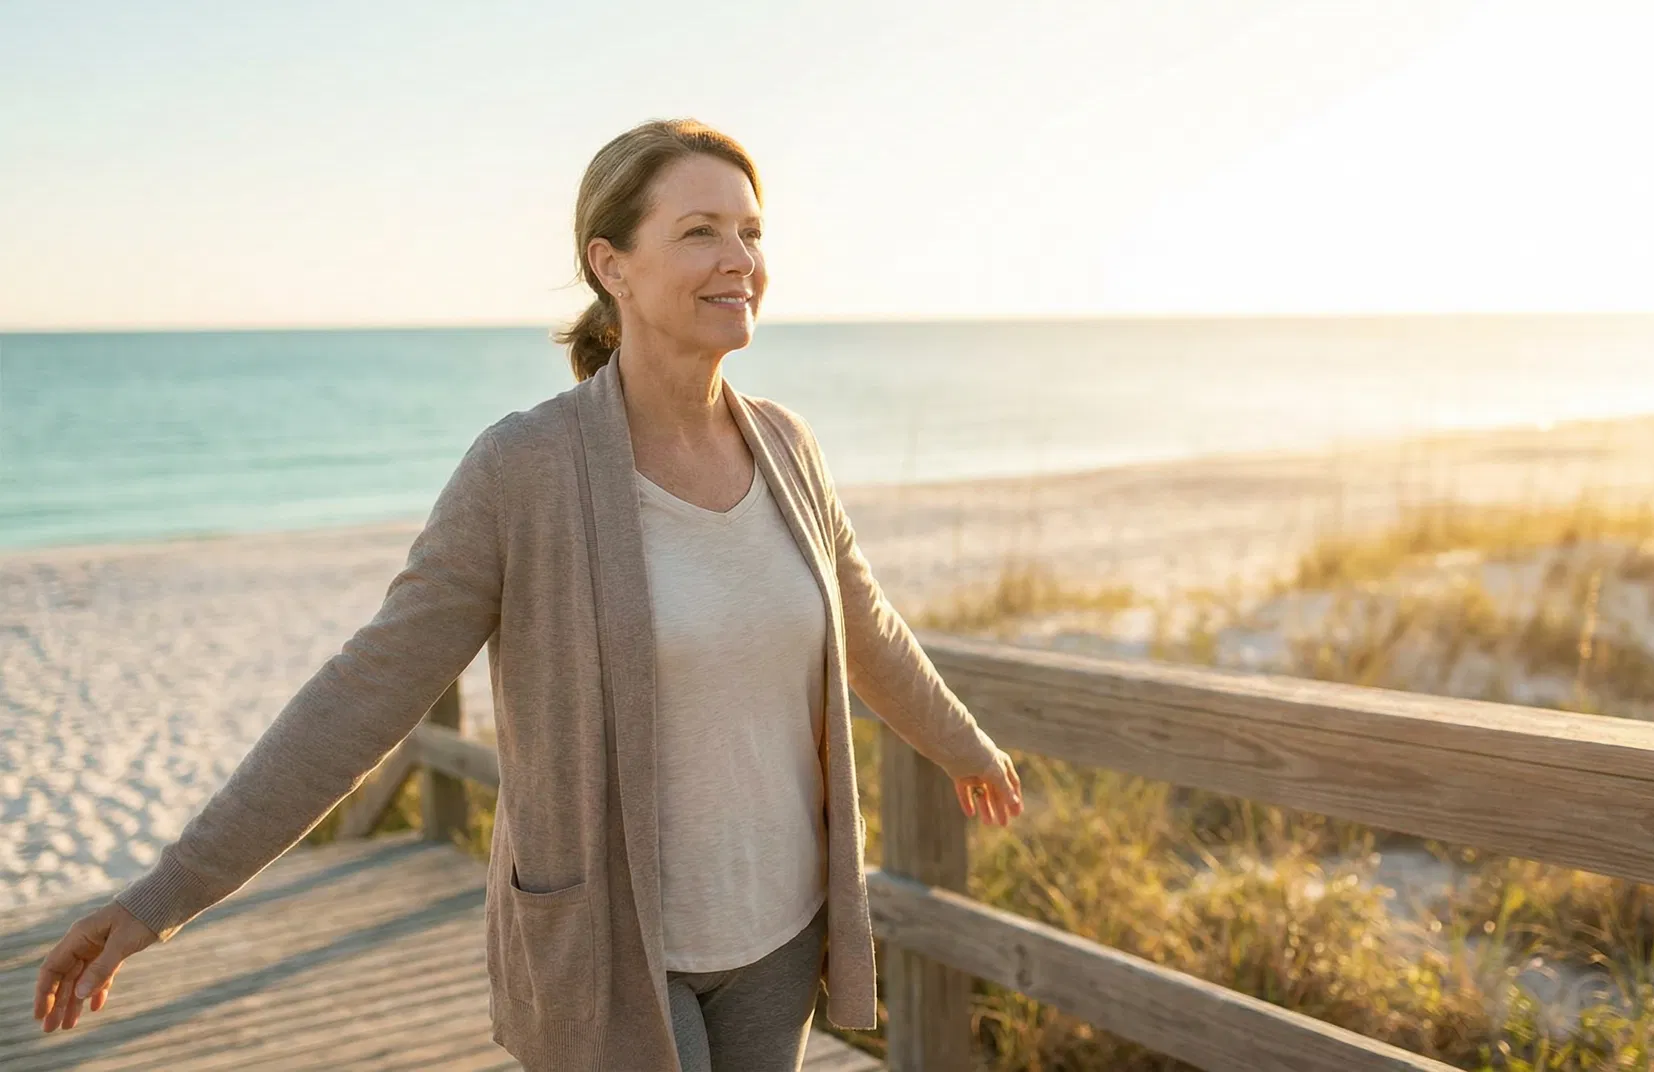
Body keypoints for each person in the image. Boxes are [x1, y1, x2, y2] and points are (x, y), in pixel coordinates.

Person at [31, 117, 1024, 1072]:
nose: (740, 258)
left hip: (779, 927)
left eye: (751, 231)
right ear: (611, 266)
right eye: (699, 232)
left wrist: (962, 742)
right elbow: (364, 692)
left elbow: (864, 622)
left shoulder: (789, 446)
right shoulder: (526, 468)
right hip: (609, 945)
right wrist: (161, 896)